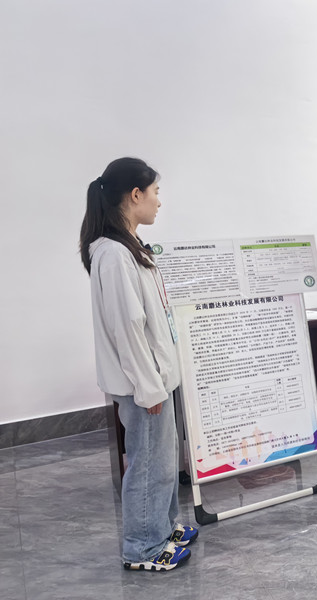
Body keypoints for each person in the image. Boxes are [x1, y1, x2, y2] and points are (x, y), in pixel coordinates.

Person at [79, 158, 197, 571]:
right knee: (147, 465)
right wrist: (148, 387)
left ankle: (162, 528)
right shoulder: (113, 254)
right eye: (155, 193)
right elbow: (128, 328)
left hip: (155, 378)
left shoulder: (129, 247)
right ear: (135, 195)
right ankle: (142, 547)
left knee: (162, 460)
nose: (159, 202)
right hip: (142, 384)